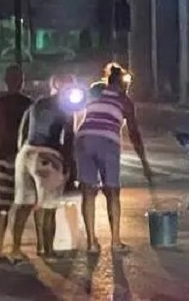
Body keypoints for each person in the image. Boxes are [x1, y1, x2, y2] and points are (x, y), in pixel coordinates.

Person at [75, 64, 153, 253]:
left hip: (84, 139)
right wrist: (143, 162)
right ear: (121, 84)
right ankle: (116, 242)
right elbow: (134, 133)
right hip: (107, 142)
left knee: (88, 192)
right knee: (112, 192)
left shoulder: (95, 92)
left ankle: (92, 243)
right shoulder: (124, 101)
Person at [10, 76, 74, 259]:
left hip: (25, 153)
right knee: (49, 207)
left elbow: (22, 132)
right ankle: (47, 251)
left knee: (23, 205)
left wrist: (22, 154)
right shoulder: (66, 107)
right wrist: (66, 165)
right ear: (58, 86)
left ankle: (15, 249)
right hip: (48, 155)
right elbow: (68, 138)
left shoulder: (36, 104)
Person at [0, 64, 34, 261]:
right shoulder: (30, 104)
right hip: (24, 161)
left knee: (2, 208)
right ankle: (17, 248)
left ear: (5, 81)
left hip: (3, 159)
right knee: (22, 206)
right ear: (22, 82)